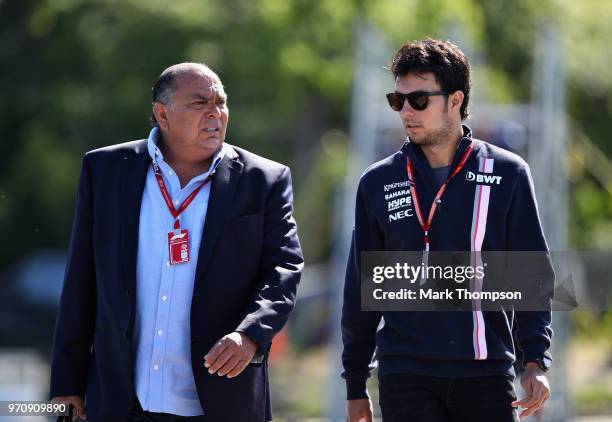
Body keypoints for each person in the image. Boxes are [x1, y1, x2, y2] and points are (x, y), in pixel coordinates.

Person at [50, 63, 303, 422]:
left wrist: (250, 335)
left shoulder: (264, 180)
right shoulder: (106, 170)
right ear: (162, 115)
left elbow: (284, 269)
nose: (215, 114)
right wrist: (66, 382)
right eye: (199, 103)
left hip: (221, 403)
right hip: (120, 403)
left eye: (221, 102)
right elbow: (81, 281)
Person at [341, 39, 553, 422]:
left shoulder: (508, 173)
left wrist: (535, 360)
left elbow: (531, 272)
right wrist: (355, 384)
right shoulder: (377, 181)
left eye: (419, 100)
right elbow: (361, 287)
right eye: (397, 100)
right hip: (405, 375)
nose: (406, 111)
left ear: (455, 100)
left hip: (486, 371)